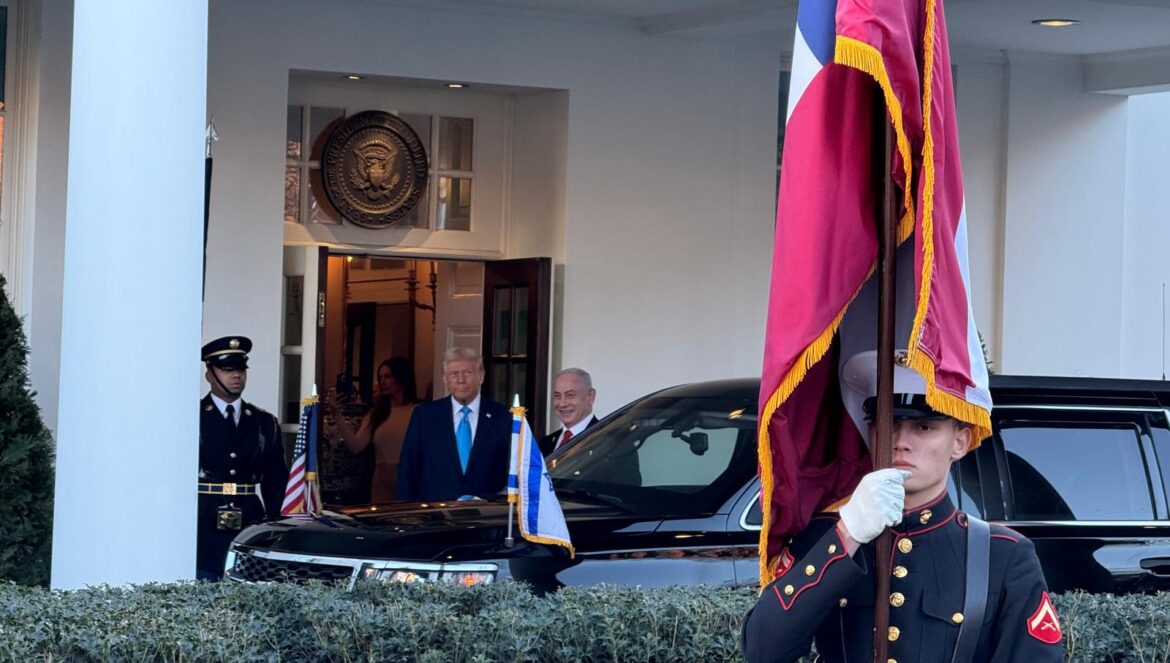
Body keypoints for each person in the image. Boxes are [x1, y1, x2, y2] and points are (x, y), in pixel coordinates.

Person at [741, 351, 1063, 663]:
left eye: (924, 427)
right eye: (888, 422)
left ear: (960, 442)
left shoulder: (1004, 555)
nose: (900, 441)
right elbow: (762, 649)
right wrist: (847, 535)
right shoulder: (828, 537)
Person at [197, 336, 287, 580]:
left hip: (249, 515)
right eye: (227, 370)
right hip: (203, 516)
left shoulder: (263, 422)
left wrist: (276, 524)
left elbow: (275, 479)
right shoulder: (192, 417)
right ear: (209, 375)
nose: (236, 376)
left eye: (240, 369)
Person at [394, 347, 511, 502]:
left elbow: (515, 472)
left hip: (486, 517)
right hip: (435, 517)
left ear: (481, 377)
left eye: (467, 373)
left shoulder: (503, 417)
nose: (460, 380)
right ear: (445, 379)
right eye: (454, 374)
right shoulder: (425, 416)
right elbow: (407, 470)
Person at [327, 357, 420, 502]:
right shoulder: (376, 414)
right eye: (380, 377)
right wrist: (337, 415)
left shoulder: (419, 411)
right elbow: (356, 446)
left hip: (412, 477)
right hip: (382, 480)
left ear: (401, 377)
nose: (382, 382)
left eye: (388, 376)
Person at [539, 367, 599, 457]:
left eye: (570, 395)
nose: (562, 404)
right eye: (557, 396)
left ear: (590, 396)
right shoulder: (546, 443)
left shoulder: (603, 438)